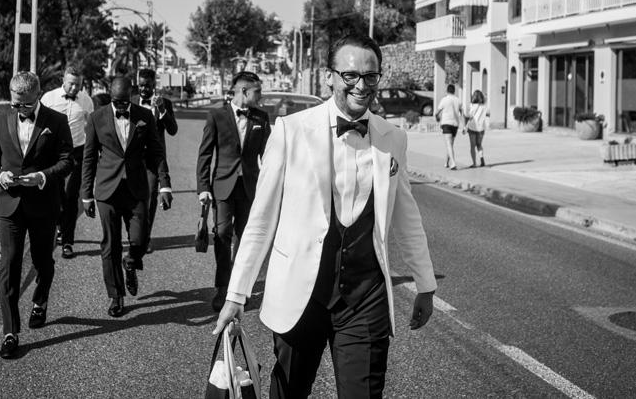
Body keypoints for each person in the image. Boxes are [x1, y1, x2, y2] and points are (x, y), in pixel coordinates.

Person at [213, 34, 436, 399]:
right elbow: (261, 221)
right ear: (329, 76)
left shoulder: (393, 138)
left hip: (365, 298)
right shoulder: (291, 131)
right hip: (300, 296)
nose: (361, 85)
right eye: (350, 75)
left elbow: (406, 215)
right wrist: (236, 294)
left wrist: (425, 284)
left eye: (370, 76)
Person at [0, 71, 73, 360]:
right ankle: (10, 332)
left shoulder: (56, 121)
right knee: (9, 265)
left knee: (42, 260)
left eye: (25, 104)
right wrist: (0, 176)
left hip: (44, 204)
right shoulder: (0, 120)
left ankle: (40, 300)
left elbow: (67, 161)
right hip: (9, 205)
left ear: (37, 96)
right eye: (15, 104)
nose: (19, 109)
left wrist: (43, 177)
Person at [81, 76, 165, 317]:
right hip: (107, 190)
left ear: (132, 96)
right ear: (111, 95)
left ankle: (131, 261)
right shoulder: (96, 118)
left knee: (140, 239)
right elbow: (89, 157)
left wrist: (165, 185)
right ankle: (116, 296)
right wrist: (86, 194)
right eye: (116, 101)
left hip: (136, 188)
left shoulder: (144, 116)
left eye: (124, 102)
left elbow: (156, 152)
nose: (120, 106)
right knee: (110, 244)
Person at [196, 70, 271, 312]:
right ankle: (222, 287)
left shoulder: (261, 117)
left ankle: (238, 288)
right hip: (223, 185)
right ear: (243, 91)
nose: (261, 96)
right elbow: (205, 154)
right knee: (222, 233)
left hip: (250, 187)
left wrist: (271, 186)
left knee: (245, 238)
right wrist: (203, 188)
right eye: (257, 91)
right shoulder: (216, 116)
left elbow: (269, 156)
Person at [40, 64, 94, 259]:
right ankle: (59, 226)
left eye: (78, 85)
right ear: (63, 80)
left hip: (76, 153)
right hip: (54, 154)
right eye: (71, 84)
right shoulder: (49, 98)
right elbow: (40, 123)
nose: (74, 88)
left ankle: (68, 241)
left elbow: (90, 126)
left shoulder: (86, 100)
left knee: (71, 196)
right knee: (56, 195)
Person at [135, 68, 177, 253]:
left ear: (154, 85)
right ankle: (135, 234)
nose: (143, 89)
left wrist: (162, 110)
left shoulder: (165, 103)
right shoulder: (131, 101)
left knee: (150, 199)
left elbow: (173, 130)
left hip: (153, 160)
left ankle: (145, 239)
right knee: (132, 200)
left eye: (147, 86)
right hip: (133, 159)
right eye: (141, 85)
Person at [435, 83, 463, 170]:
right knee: (450, 144)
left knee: (448, 144)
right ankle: (447, 162)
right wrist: (463, 125)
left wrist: (437, 118)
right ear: (454, 91)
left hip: (446, 123)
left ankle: (453, 163)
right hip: (455, 124)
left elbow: (437, 112)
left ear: (447, 91)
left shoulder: (444, 99)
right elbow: (462, 113)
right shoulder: (458, 100)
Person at [464, 89, 490, 167]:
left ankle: (474, 163)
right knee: (479, 144)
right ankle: (482, 160)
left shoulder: (473, 106)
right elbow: (488, 113)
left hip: (472, 127)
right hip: (481, 128)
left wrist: (465, 127)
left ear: (474, 97)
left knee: (472, 146)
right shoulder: (484, 106)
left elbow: (470, 116)